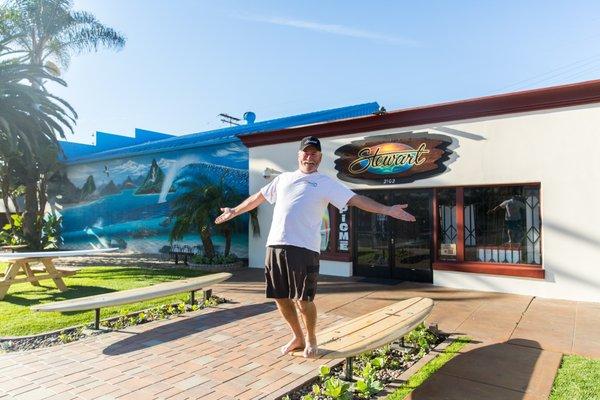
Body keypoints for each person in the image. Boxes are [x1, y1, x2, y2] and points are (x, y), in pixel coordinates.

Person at [215, 136, 416, 358]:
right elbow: (258, 197)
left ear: (320, 157)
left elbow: (356, 199)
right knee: (280, 297)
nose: (309, 157)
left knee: (303, 299)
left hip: (303, 249)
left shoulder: (325, 183)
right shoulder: (282, 179)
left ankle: (311, 338)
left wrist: (387, 210)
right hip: (275, 246)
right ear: (299, 155)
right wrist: (234, 210)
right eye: (306, 153)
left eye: (314, 154)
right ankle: (297, 336)